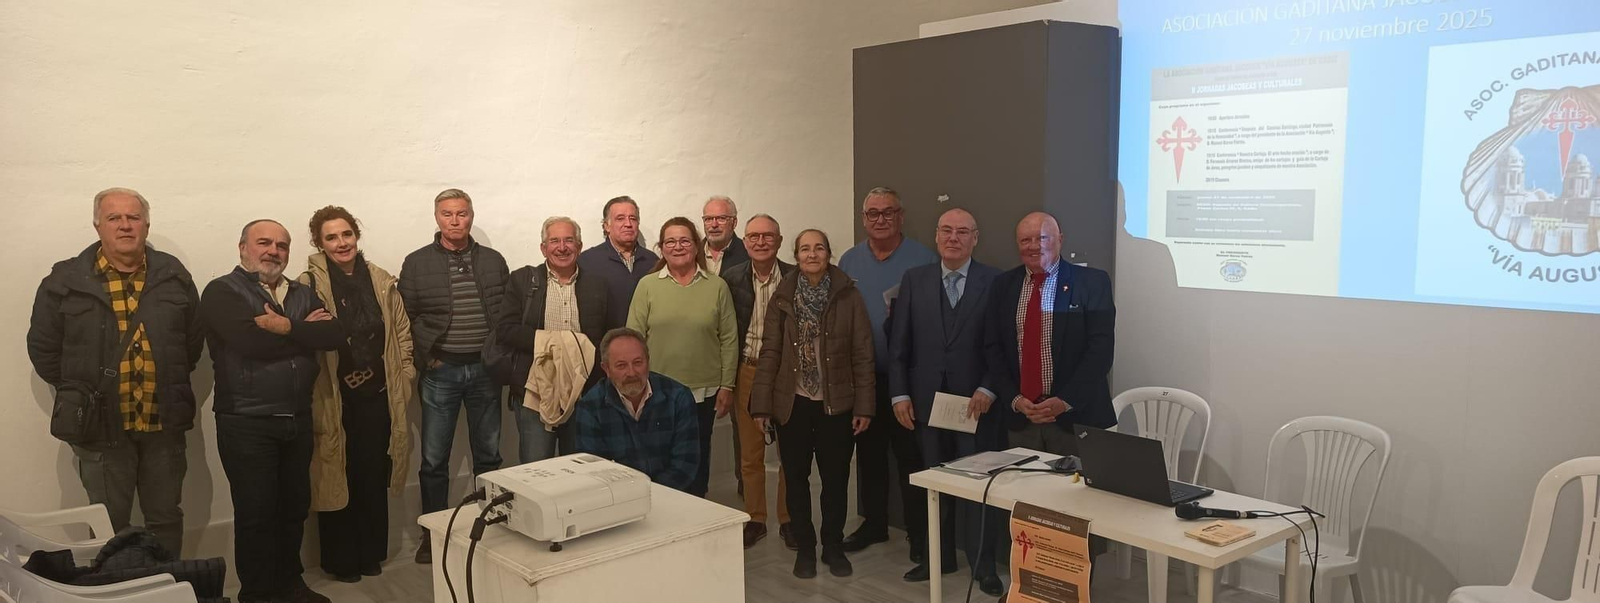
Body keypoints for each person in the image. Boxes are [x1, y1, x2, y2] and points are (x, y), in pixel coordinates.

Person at [27, 188, 202, 557]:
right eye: (114, 218)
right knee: (109, 523)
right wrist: (81, 393)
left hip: (163, 427)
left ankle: (166, 589)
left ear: (146, 225)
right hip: (99, 430)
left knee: (166, 518)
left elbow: (191, 344)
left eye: (133, 217)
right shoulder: (65, 281)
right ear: (98, 226)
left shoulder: (174, 276)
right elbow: (43, 351)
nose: (125, 226)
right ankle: (118, 592)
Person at [201, 219, 343, 603]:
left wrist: (284, 326)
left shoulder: (300, 292)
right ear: (242, 247)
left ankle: (289, 584)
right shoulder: (221, 292)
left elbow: (333, 336)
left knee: (294, 508)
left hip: (297, 418)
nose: (273, 251)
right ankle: (258, 595)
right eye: (264, 242)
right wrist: (302, 333)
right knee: (257, 516)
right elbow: (250, 344)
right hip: (247, 421)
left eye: (281, 245)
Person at [985, 211, 1116, 573]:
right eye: (1026, 239)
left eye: (1042, 238)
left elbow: (1101, 351)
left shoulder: (1092, 282)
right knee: (1024, 510)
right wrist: (1014, 398)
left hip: (1076, 419)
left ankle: (1075, 590)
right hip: (1021, 418)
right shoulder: (1004, 286)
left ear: (1060, 239)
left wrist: (1063, 401)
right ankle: (1029, 587)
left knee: (1077, 513)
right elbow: (993, 348)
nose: (1034, 246)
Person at [887, 208, 1006, 594]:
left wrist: (990, 388)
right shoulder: (914, 279)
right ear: (936, 237)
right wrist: (900, 394)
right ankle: (937, 558)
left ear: (975, 238)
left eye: (962, 232)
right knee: (934, 484)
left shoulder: (995, 282)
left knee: (977, 487)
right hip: (926, 406)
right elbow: (899, 345)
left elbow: (1004, 347)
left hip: (977, 406)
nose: (953, 238)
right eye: (946, 231)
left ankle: (983, 564)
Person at [298, 206, 416, 583]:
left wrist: (405, 376)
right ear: (319, 243)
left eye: (346, 234)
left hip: (377, 396)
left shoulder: (381, 280)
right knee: (336, 474)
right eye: (331, 237)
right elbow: (304, 338)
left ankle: (371, 552)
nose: (341, 243)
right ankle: (341, 560)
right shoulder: (308, 284)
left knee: (370, 472)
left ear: (356, 235)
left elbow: (401, 336)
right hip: (334, 397)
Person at [751, 229, 875, 580]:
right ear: (797, 255)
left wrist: (864, 407)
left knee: (836, 480)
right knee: (796, 478)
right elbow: (770, 352)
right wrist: (762, 405)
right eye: (804, 249)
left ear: (828, 253)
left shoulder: (848, 295)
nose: (812, 254)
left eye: (818, 247)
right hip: (794, 404)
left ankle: (832, 547)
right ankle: (805, 548)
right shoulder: (783, 296)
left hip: (836, 405)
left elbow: (863, 354)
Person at [398, 189, 513, 564]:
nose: (454, 220)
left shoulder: (494, 261)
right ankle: (433, 535)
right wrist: (427, 358)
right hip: (441, 370)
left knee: (489, 455)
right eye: (447, 214)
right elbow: (406, 316)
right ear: (437, 218)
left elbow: (507, 311)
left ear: (471, 216)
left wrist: (497, 357)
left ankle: (490, 527)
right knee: (434, 460)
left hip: (484, 370)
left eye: (461, 213)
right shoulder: (416, 263)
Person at [835, 186, 937, 555]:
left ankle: (918, 534)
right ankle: (874, 524)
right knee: (870, 456)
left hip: (907, 380)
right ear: (864, 219)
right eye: (872, 213)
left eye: (887, 212)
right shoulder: (849, 261)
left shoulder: (923, 259)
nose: (880, 220)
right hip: (863, 379)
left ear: (901, 216)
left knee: (912, 456)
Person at [626, 217, 737, 498]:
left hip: (704, 390)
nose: (678, 247)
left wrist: (727, 385)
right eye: (670, 241)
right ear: (661, 248)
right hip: (656, 392)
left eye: (685, 240)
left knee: (696, 460)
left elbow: (728, 339)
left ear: (696, 245)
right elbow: (633, 339)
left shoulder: (717, 286)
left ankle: (695, 516)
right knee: (657, 460)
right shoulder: (648, 285)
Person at [503, 216, 611, 463]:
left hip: (584, 393)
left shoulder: (598, 285)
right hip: (535, 392)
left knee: (580, 469)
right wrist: (555, 342)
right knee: (536, 469)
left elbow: (608, 336)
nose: (562, 247)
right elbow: (506, 330)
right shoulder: (522, 281)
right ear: (543, 248)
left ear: (580, 246)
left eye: (569, 240)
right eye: (554, 241)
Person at [721, 214, 794, 549]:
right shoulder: (732, 277)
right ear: (745, 241)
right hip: (748, 370)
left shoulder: (795, 277)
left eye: (768, 236)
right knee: (750, 453)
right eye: (754, 237)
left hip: (787, 375)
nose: (760, 242)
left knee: (789, 452)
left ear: (779, 241)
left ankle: (789, 519)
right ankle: (755, 518)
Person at [572, 328, 700, 492]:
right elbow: (595, 473)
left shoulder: (678, 397)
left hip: (672, 493)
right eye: (621, 365)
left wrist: (651, 493)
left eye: (638, 362)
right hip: (619, 499)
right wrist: (634, 498)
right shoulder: (591, 406)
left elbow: (685, 465)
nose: (631, 372)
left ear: (648, 360)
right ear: (606, 369)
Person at [580, 196, 659, 329]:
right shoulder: (587, 261)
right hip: (605, 344)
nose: (628, 224)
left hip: (646, 343)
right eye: (620, 218)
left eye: (633, 218)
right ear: (606, 226)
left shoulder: (653, 261)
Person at [702, 195, 748, 275]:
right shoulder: (691, 253)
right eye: (708, 219)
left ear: (734, 223)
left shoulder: (748, 254)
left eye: (721, 218)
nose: (714, 225)